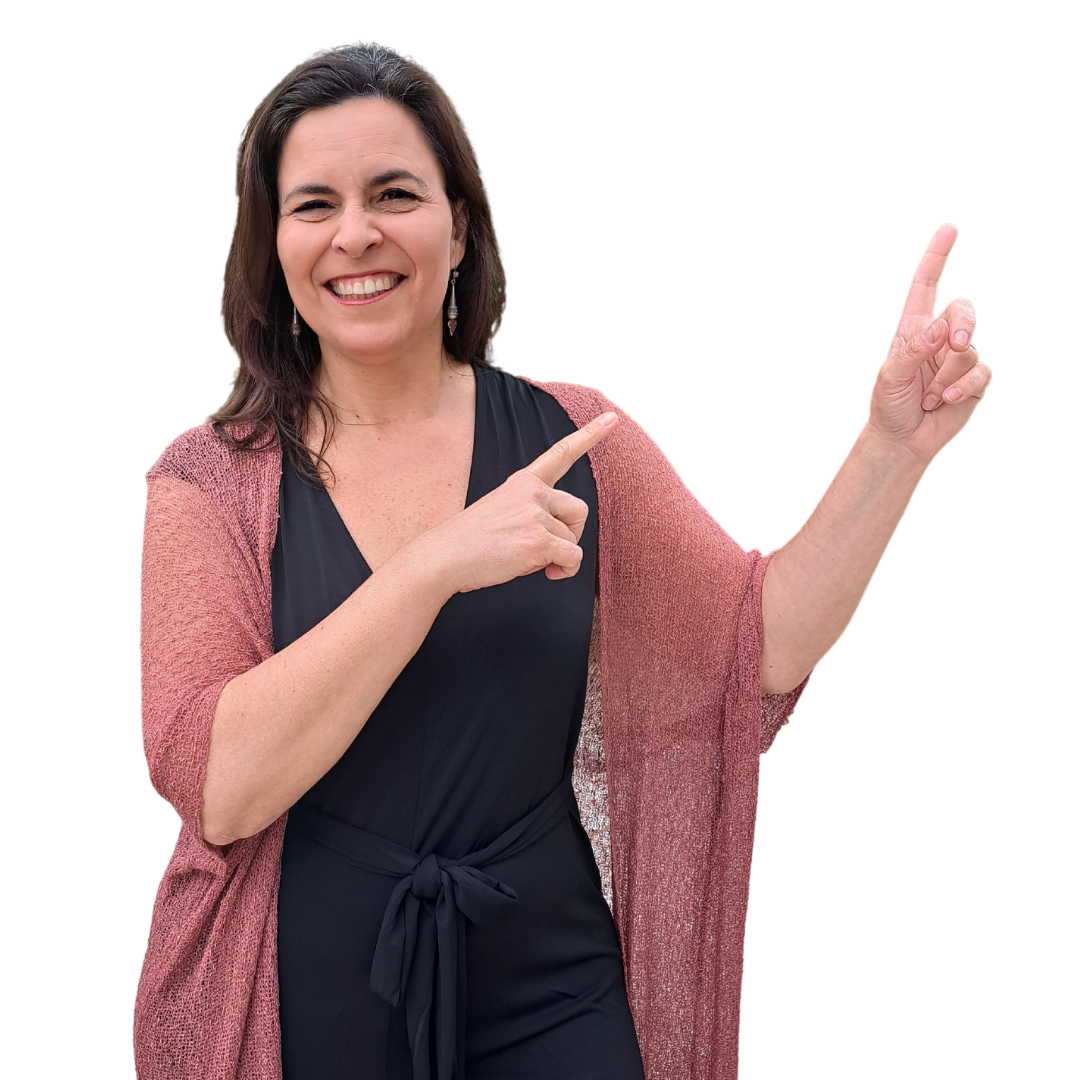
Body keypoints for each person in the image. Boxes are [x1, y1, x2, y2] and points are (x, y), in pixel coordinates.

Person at [133, 40, 992, 1080]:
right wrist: (433, 566)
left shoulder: (577, 438)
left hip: (549, 986)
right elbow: (218, 789)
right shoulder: (209, 479)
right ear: (273, 245)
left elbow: (756, 648)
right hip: (307, 987)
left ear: (459, 227)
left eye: (395, 193)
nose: (355, 233)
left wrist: (893, 447)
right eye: (314, 205)